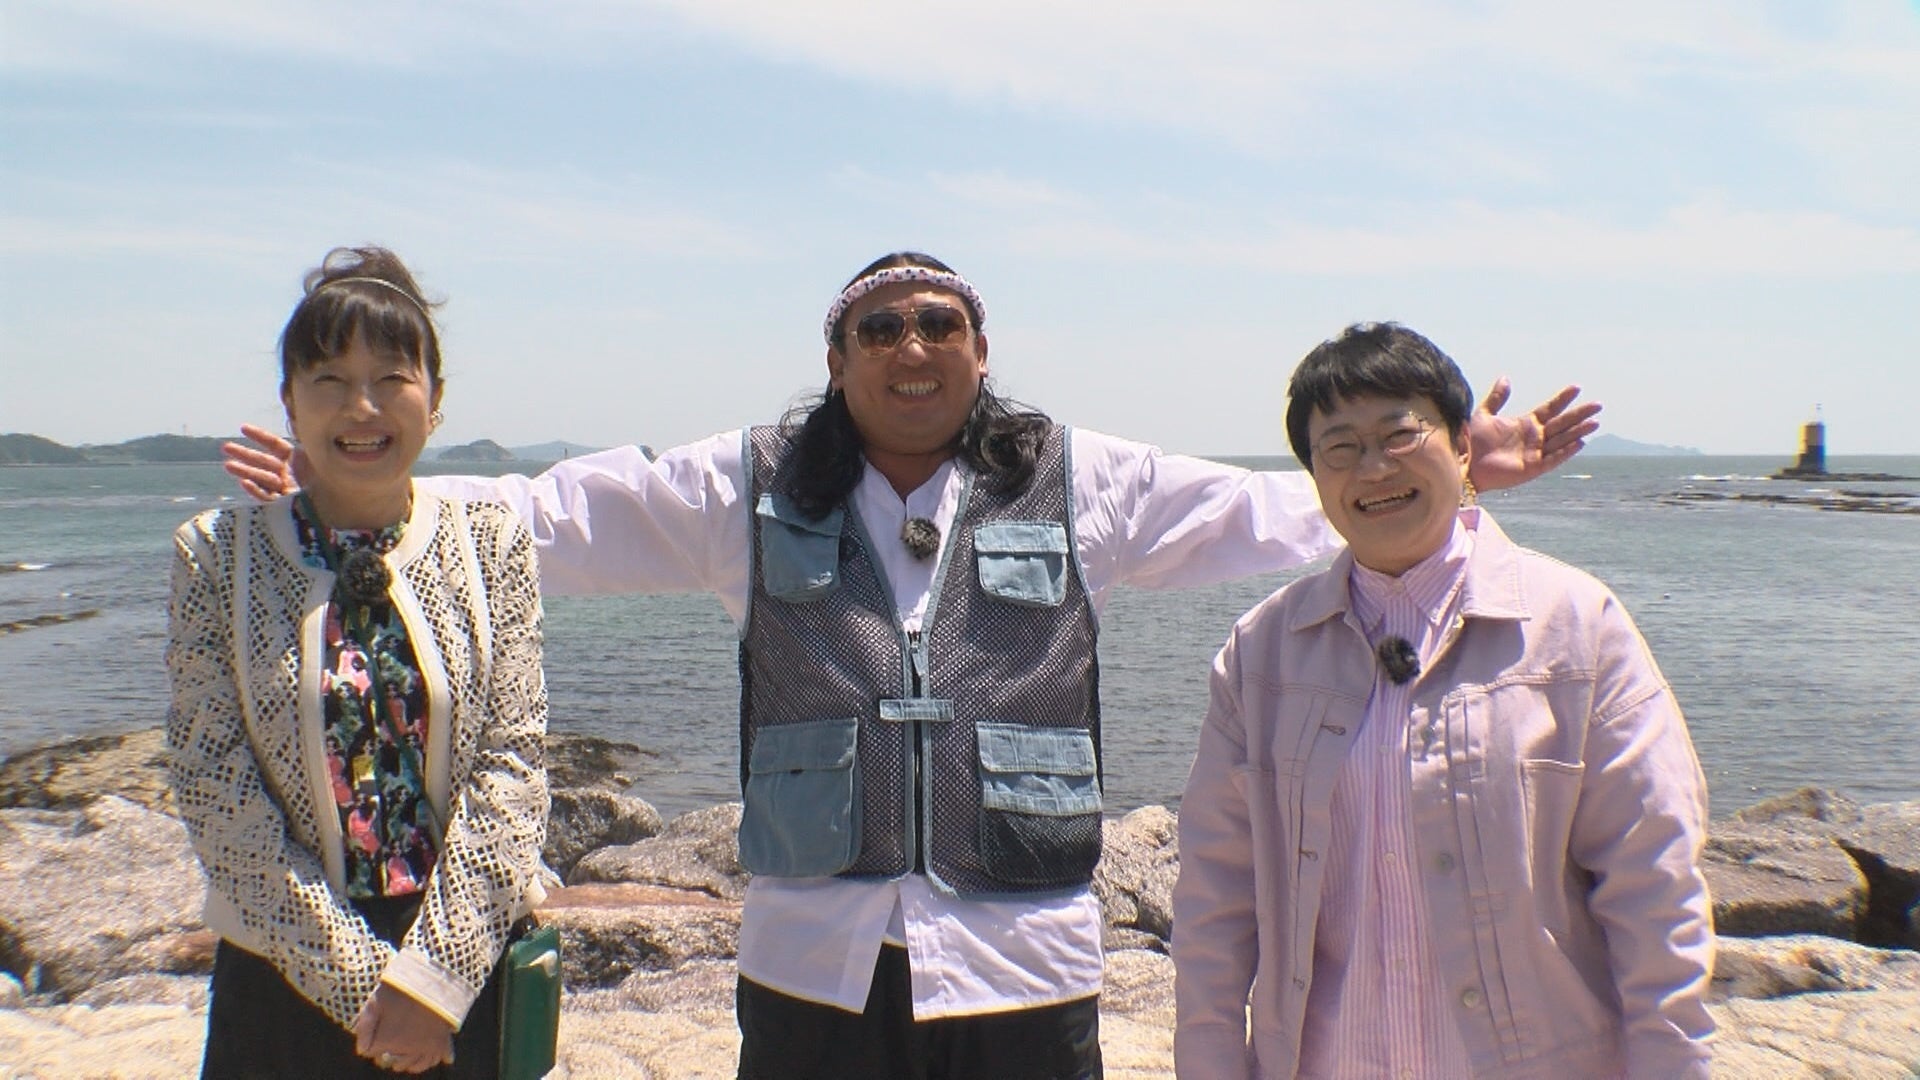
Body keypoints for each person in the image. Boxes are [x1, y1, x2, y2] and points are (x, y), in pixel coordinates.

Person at [224, 253, 1598, 1080]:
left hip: (1025, 963)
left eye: (939, 322)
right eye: (878, 329)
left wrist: (1449, 478)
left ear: (982, 351)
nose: (912, 345)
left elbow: (1268, 510)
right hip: (811, 965)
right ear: (836, 361)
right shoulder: (746, 486)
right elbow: (557, 515)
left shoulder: (1080, 479)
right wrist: (370, 488)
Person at [1171, 323, 1713, 1079]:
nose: (1373, 468)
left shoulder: (1574, 626)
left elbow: (1654, 881)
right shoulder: (1263, 653)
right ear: (1315, 476)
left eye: (1400, 434)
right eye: (1340, 448)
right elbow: (1214, 904)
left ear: (1462, 446)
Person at [169, 246, 551, 1078]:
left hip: (466, 973)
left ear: (434, 400)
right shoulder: (217, 555)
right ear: (290, 402)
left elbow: (515, 765)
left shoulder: (492, 545)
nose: (363, 406)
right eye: (331, 381)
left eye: (391, 378)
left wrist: (434, 982)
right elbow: (211, 782)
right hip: (280, 976)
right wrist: (369, 993)